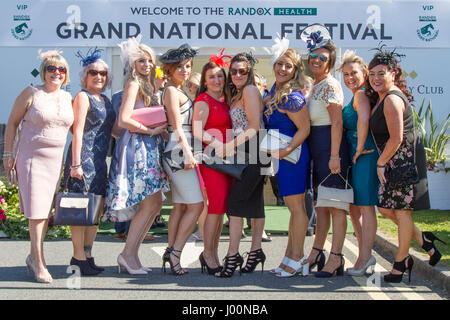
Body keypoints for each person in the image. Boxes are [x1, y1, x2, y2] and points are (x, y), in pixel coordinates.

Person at [3, 50, 73, 283]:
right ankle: (39, 262)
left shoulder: (66, 97)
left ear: (66, 74)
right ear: (43, 72)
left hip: (55, 160)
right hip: (31, 158)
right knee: (37, 211)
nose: (56, 73)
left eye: (61, 69)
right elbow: (12, 123)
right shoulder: (31, 92)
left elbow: (75, 128)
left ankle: (34, 256)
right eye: (51, 69)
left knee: (46, 211)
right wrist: (8, 153)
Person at [104, 35, 169, 275]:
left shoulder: (149, 86)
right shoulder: (133, 84)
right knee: (151, 202)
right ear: (133, 64)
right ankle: (127, 255)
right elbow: (123, 119)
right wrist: (150, 129)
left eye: (150, 61)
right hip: (138, 148)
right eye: (141, 61)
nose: (147, 65)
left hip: (150, 147)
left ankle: (131, 255)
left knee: (155, 203)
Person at [367, 45, 431, 283]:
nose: (375, 78)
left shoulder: (392, 99)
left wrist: (381, 163)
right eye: (372, 74)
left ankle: (401, 262)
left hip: (401, 162)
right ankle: (424, 241)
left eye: (381, 73)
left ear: (393, 73)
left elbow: (397, 138)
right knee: (385, 209)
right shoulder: (382, 97)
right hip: (394, 162)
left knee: (402, 213)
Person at [300, 24, 350, 278]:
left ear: (330, 61)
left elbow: (337, 122)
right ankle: (317, 251)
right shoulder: (316, 85)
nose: (317, 60)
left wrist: (334, 156)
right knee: (321, 206)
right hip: (316, 150)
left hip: (331, 148)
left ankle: (337, 257)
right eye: (313, 56)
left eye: (323, 57)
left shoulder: (331, 85)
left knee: (336, 206)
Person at [63, 49, 117, 275]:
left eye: (103, 73)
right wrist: (75, 164)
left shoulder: (105, 99)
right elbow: (77, 131)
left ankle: (88, 254)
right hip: (81, 160)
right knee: (79, 210)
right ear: (85, 76)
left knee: (95, 210)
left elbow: (115, 130)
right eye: (93, 72)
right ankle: (77, 257)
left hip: (99, 162)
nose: (99, 77)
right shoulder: (82, 97)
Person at [214, 53, 267, 278]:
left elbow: (254, 125)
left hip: (254, 152)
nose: (237, 74)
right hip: (247, 152)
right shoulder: (236, 94)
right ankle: (255, 251)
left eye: (242, 71)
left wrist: (230, 146)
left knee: (234, 203)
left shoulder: (250, 91)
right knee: (254, 202)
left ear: (250, 72)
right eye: (233, 71)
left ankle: (232, 255)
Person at [263, 46, 311, 277]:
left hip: (293, 157)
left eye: (288, 66)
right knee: (293, 210)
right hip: (281, 156)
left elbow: (305, 128)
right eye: (279, 64)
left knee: (297, 208)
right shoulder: (275, 91)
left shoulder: (292, 97)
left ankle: (298, 258)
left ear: (295, 70)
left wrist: (287, 149)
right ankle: (288, 258)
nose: (282, 69)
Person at [160, 44, 204, 275]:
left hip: (180, 148)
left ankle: (170, 250)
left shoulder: (176, 90)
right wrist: (188, 153)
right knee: (197, 206)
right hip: (179, 149)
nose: (185, 70)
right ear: (169, 70)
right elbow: (176, 126)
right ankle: (176, 253)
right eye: (179, 67)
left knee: (179, 206)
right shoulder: (171, 91)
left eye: (187, 66)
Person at [192, 51, 233, 275]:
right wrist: (218, 143)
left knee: (220, 210)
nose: (217, 80)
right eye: (212, 77)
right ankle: (208, 254)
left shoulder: (224, 100)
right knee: (215, 209)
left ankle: (213, 252)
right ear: (204, 81)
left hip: (227, 161)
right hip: (213, 161)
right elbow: (198, 131)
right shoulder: (203, 100)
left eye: (220, 76)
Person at [338, 51, 378, 276]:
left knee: (365, 207)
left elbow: (363, 119)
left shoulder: (361, 95)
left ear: (364, 73)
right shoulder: (356, 95)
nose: (349, 77)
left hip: (364, 156)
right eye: (345, 74)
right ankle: (365, 254)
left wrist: (361, 147)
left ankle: (365, 257)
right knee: (355, 209)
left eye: (353, 73)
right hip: (356, 157)